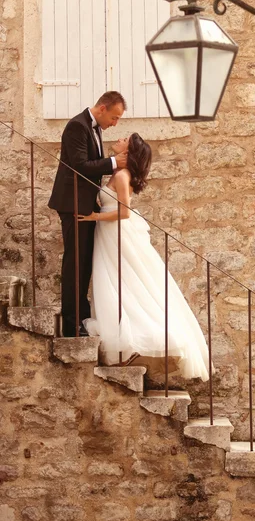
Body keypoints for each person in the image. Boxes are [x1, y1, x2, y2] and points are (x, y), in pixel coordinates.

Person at [78, 133, 210, 381]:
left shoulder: (121, 175)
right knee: (117, 283)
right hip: (109, 233)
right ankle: (123, 348)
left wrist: (94, 217)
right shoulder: (118, 174)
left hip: (116, 231)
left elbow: (124, 212)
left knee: (122, 282)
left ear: (127, 153)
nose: (119, 139)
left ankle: (128, 346)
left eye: (124, 140)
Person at [48, 91, 127, 337]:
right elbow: (80, 166)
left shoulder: (95, 128)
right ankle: (72, 323)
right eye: (114, 117)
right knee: (75, 263)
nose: (115, 124)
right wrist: (114, 162)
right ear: (102, 108)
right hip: (72, 204)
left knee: (84, 264)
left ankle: (82, 316)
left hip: (85, 205)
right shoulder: (76, 126)